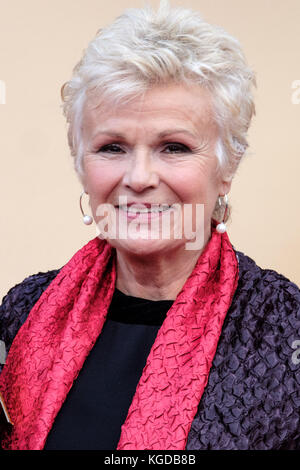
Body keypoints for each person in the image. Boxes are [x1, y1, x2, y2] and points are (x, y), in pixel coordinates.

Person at [0, 0, 299, 451]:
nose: (139, 178)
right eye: (112, 147)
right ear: (82, 165)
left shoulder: (284, 329)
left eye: (174, 147)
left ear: (226, 169)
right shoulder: (23, 313)